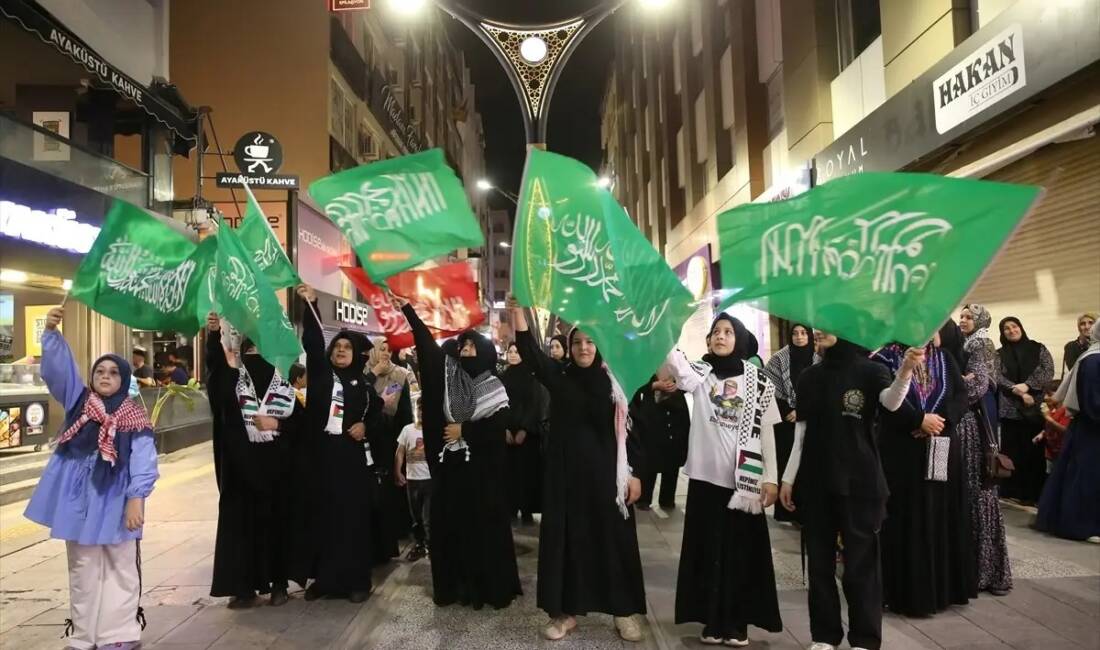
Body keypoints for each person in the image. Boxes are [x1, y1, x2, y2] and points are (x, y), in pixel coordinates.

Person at [510, 298, 647, 643]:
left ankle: (623, 611)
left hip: (609, 480)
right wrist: (517, 311)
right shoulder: (559, 377)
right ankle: (565, 613)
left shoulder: (615, 381)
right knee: (566, 545)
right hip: (566, 479)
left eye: (590, 341)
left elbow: (632, 431)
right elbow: (530, 351)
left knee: (614, 543)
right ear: (569, 347)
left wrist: (635, 473)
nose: (584, 347)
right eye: (577, 342)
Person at [24, 307, 158, 650]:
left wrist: (136, 498)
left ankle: (121, 633)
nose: (106, 376)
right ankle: (84, 635)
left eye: (114, 372)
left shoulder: (134, 417)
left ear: (124, 379)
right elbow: (60, 372)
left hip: (115, 499)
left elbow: (144, 460)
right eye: (100, 370)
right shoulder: (79, 401)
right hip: (78, 501)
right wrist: (52, 333)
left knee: (119, 565)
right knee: (82, 568)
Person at [780, 331, 921, 650]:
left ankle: (865, 638)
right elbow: (800, 434)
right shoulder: (809, 377)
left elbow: (891, 404)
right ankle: (824, 636)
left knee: (861, 566)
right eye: (818, 324)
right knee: (819, 566)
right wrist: (789, 479)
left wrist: (906, 371)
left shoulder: (870, 371)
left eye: (827, 324)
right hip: (816, 484)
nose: (819, 330)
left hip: (860, 484)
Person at [396, 293, 521, 610]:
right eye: (463, 347)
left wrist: (465, 430)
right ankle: (456, 587)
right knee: (452, 530)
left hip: (484, 475)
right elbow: (427, 347)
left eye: (472, 347)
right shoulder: (448, 378)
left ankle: (487, 589)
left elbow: (497, 429)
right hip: (453, 470)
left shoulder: (494, 386)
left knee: (483, 532)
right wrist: (408, 310)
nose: (466, 352)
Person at [665, 314, 783, 646]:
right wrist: (661, 325)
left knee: (742, 555)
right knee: (707, 552)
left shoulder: (758, 380)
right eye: (716, 331)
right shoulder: (700, 375)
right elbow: (676, 364)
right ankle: (712, 621)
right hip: (705, 482)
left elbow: (769, 435)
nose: (721, 336)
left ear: (740, 339)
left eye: (728, 332)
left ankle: (738, 623)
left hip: (743, 486)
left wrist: (771, 479)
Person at [872, 325, 974, 618]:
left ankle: (942, 590)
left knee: (940, 512)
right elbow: (885, 402)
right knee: (907, 514)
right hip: (901, 450)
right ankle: (906, 592)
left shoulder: (943, 358)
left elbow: (960, 396)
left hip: (941, 444)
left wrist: (939, 421)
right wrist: (917, 420)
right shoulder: (885, 359)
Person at [293, 285, 383, 603]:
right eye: (337, 347)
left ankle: (356, 582)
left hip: (351, 460)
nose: (341, 351)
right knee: (322, 516)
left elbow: (377, 418)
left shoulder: (364, 385)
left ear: (355, 354)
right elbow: (313, 342)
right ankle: (324, 581)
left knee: (351, 520)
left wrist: (365, 427)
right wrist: (311, 305)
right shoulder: (321, 375)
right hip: (321, 457)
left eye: (346, 347)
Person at [204, 316, 298, 608]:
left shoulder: (285, 386)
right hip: (240, 470)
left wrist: (278, 426)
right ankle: (243, 586)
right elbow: (215, 372)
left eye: (262, 351)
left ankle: (279, 583)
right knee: (241, 531)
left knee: (277, 526)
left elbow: (300, 428)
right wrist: (212, 335)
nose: (256, 355)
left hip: (276, 469)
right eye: (251, 350)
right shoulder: (232, 380)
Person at [957, 304, 1013, 596]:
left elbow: (977, 386)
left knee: (979, 490)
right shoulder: (968, 343)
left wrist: (951, 383)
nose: (963, 320)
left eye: (969, 317)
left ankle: (985, 570)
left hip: (978, 425)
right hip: (972, 420)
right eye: (962, 316)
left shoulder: (982, 343)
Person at [1037, 318, 1100, 542]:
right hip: (1091, 429)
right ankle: (1083, 525)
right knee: (1086, 477)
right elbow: (1093, 401)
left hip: (1089, 429)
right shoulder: (1093, 360)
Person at [995, 317, 1055, 505]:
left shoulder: (1039, 348)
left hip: (1033, 409)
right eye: (1006, 328)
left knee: (1033, 452)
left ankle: (1033, 493)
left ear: (1021, 327)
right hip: (1009, 409)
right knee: (1012, 450)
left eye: (1014, 326)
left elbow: (1047, 371)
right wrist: (1017, 390)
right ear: (1002, 333)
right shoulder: (998, 354)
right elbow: (996, 376)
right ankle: (1011, 490)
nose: (1011, 330)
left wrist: (1028, 386)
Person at [764, 323, 819, 523]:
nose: (799, 337)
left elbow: (822, 393)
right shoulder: (779, 360)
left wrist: (802, 411)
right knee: (786, 462)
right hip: (786, 422)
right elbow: (768, 390)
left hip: (811, 421)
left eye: (804, 333)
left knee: (806, 466)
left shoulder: (819, 359)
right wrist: (788, 410)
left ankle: (805, 510)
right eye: (795, 333)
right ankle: (786, 510)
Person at [367, 338, 414, 564]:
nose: (386, 353)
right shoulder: (363, 374)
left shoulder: (398, 376)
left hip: (388, 439)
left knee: (387, 493)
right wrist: (374, 374)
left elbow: (397, 407)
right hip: (365, 440)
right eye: (381, 349)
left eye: (389, 350)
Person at [500, 341, 548, 524]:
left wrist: (525, 429)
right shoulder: (502, 377)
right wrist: (504, 428)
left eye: (517, 352)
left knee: (527, 474)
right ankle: (511, 508)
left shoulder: (532, 377)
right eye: (510, 351)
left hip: (527, 437)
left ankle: (527, 510)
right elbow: (498, 405)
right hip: (506, 435)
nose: (513, 355)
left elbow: (535, 405)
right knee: (509, 474)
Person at [629, 366, 689, 511]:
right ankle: (644, 499)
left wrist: (677, 383)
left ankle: (667, 499)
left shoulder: (677, 362)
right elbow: (633, 387)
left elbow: (689, 381)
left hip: (676, 415)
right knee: (650, 459)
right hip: (652, 417)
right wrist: (654, 385)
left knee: (672, 461)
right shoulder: (646, 361)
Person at [395, 400, 432, 560]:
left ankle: (430, 546)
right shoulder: (407, 430)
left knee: (427, 517)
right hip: (412, 480)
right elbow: (400, 452)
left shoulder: (432, 430)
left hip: (428, 480)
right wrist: (398, 472)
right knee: (416, 516)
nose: (421, 412)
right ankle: (420, 544)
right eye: (419, 408)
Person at [1063, 312, 1098, 377]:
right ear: (1079, 328)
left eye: (1091, 323)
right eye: (1083, 324)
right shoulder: (1071, 346)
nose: (1087, 327)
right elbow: (1075, 371)